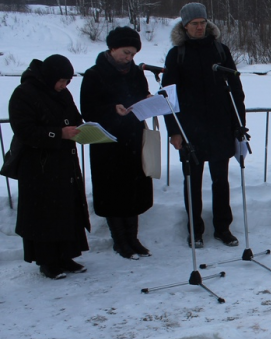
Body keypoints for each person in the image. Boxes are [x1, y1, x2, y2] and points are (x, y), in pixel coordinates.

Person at [162, 2, 245, 248]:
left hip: (220, 127)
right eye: (194, 24)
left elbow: (236, 90)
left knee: (221, 181)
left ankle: (223, 228)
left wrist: (239, 123)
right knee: (193, 182)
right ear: (185, 26)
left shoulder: (220, 50)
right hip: (190, 129)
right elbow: (168, 96)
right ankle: (195, 230)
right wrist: (174, 131)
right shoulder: (177, 53)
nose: (199, 28)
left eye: (202, 23)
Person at [8, 55, 90, 279]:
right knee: (43, 213)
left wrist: (81, 129)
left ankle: (66, 255)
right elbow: (24, 129)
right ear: (50, 76)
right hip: (38, 165)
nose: (64, 86)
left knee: (66, 210)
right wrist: (57, 133)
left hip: (64, 162)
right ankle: (47, 261)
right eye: (61, 81)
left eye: (67, 82)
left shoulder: (62, 93)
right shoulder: (25, 93)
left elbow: (74, 117)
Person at [80, 26, 154, 260]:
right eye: (125, 52)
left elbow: (141, 94)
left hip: (133, 139)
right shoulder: (94, 74)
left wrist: (149, 101)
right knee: (114, 192)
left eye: (132, 53)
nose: (129, 58)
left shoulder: (136, 72)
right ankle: (120, 241)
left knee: (133, 191)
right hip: (108, 143)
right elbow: (87, 109)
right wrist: (112, 110)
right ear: (112, 49)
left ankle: (133, 238)